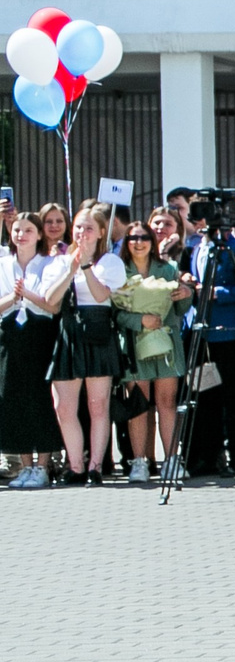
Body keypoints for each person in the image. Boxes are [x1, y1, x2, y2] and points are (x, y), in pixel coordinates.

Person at [180, 196, 235, 478]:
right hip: (202, 333)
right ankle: (207, 454)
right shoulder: (195, 248)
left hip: (233, 333)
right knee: (204, 396)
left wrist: (217, 294)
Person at [34, 206, 122, 485]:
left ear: (100, 233)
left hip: (97, 328)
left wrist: (85, 266)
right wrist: (71, 268)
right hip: (70, 328)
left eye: (88, 228)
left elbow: (100, 295)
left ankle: (95, 466)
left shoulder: (109, 261)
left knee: (98, 405)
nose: (82, 233)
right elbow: (51, 300)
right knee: (64, 406)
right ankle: (76, 466)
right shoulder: (59, 261)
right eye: (79, 228)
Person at [112, 222, 185, 481]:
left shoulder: (168, 269)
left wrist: (186, 293)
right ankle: (140, 461)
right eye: (133, 237)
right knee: (139, 405)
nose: (139, 242)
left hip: (165, 344)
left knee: (167, 403)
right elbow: (113, 313)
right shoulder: (117, 271)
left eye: (144, 237)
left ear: (152, 241)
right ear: (126, 242)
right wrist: (138, 320)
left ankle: (172, 460)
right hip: (134, 344)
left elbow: (180, 310)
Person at [0, 215, 63, 485]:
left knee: (40, 398)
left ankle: (43, 465)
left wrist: (28, 295)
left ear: (39, 235)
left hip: (40, 335)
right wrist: (13, 298)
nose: (21, 235)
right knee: (13, 397)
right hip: (10, 334)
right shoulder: (3, 264)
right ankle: (25, 465)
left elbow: (52, 306)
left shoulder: (50, 265)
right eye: (17, 230)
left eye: (28, 230)